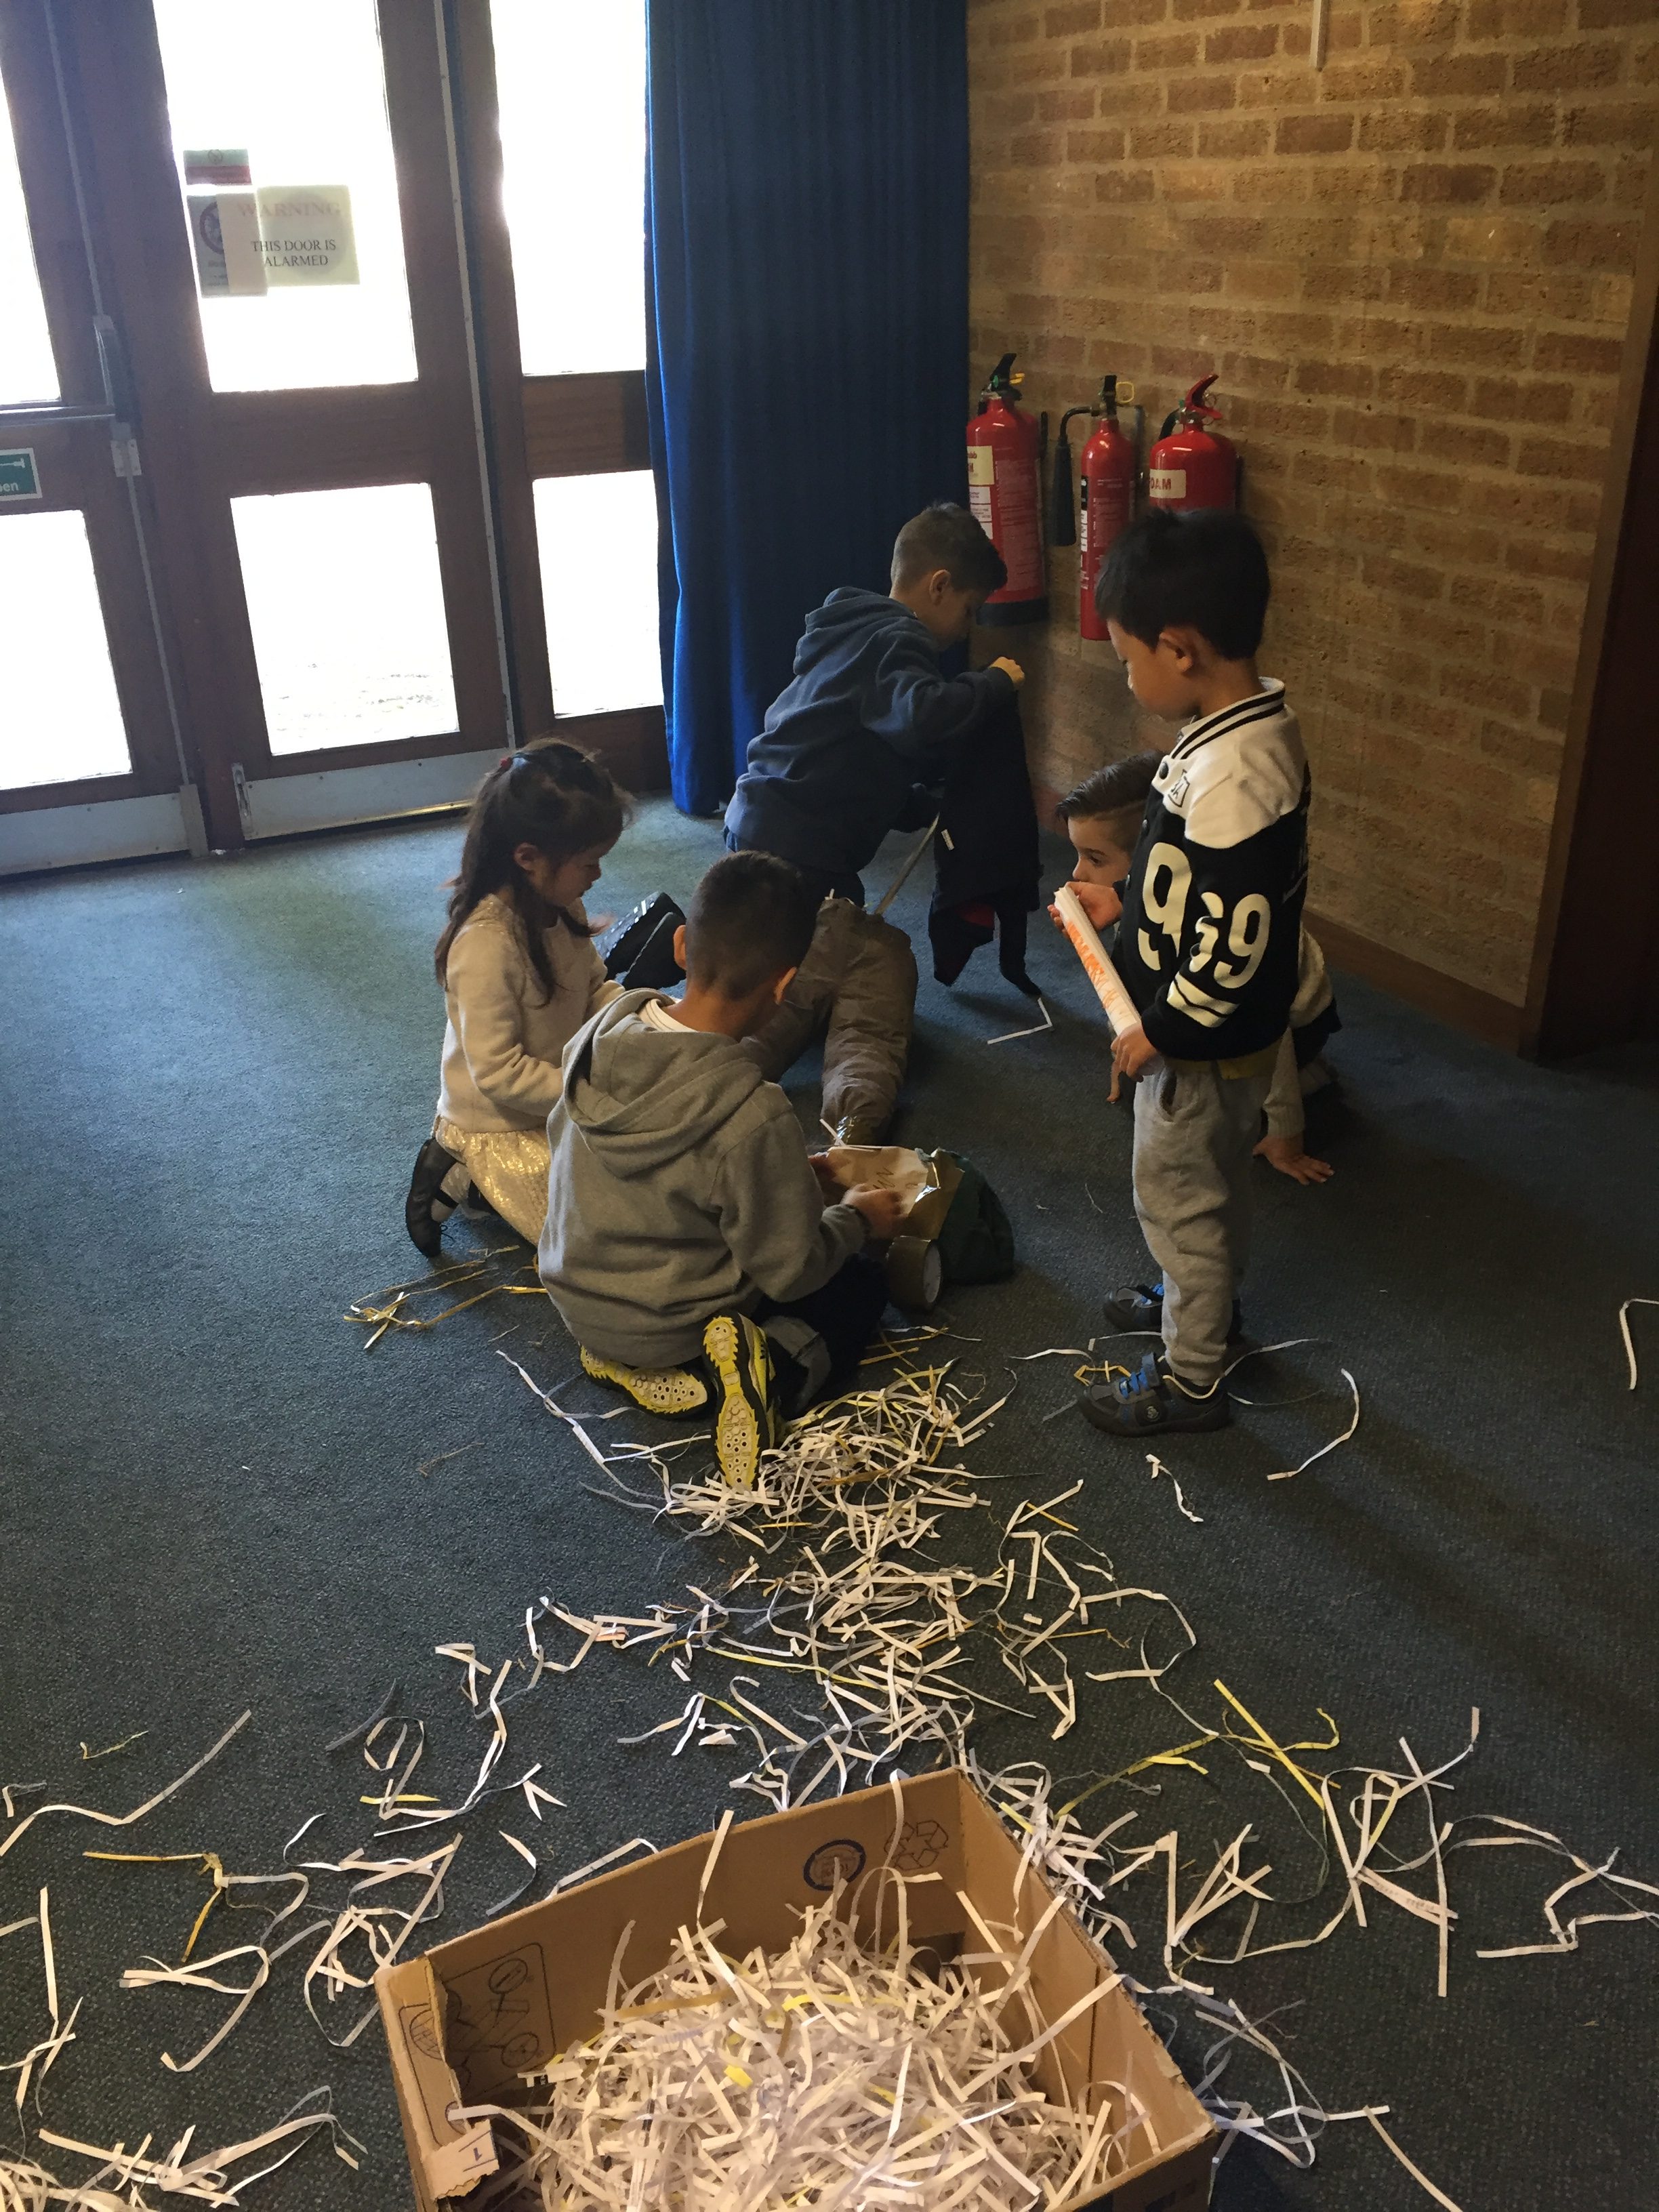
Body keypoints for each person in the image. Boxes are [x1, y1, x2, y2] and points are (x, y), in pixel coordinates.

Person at [539, 853, 907, 1486]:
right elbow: (790, 1269)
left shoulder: (598, 1036)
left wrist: (793, 1178)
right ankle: (774, 1370)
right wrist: (856, 1220)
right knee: (858, 1287)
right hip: (674, 1325)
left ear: (682, 945)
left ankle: (622, 1363)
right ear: (785, 986)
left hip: (579, 1304)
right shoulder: (752, 1112)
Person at [1060, 509, 1310, 1437]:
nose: (1130, 677)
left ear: (1180, 649)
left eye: (1131, 659)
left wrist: (1158, 1032)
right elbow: (1196, 885)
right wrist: (1133, 909)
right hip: (1211, 1037)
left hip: (1197, 1048)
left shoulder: (1238, 775)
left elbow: (1231, 943)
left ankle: (1194, 1376)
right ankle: (1199, 1303)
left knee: (1177, 1200)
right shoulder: (1232, 731)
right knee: (1212, 1184)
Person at [724, 502, 1024, 1145]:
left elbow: (855, 753)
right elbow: (923, 718)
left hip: (761, 818)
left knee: (791, 939)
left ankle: (746, 1007)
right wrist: (994, 683)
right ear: (939, 586)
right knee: (838, 955)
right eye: (969, 610)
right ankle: (739, 1060)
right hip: (804, 845)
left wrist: (920, 806)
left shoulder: (848, 628)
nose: (966, 629)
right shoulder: (900, 639)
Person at [1057, 750, 1338, 1185]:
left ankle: (1312, 1076)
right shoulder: (1141, 899)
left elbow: (1270, 1033)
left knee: (1219, 1092)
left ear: (1154, 861)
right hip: (1207, 1004)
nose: (1077, 872)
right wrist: (1124, 1045)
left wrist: (1286, 1134)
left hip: (1290, 1026)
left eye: (1095, 858)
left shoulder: (1214, 941)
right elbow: (1131, 978)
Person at [405, 741, 626, 1255]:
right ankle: (460, 1170)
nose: (597, 875)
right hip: (497, 1121)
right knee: (590, 1238)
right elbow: (501, 1074)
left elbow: (594, 986)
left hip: (557, 1093)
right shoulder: (485, 945)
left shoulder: (562, 903)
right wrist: (586, 1092)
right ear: (528, 858)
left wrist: (639, 1017)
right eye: (589, 862)